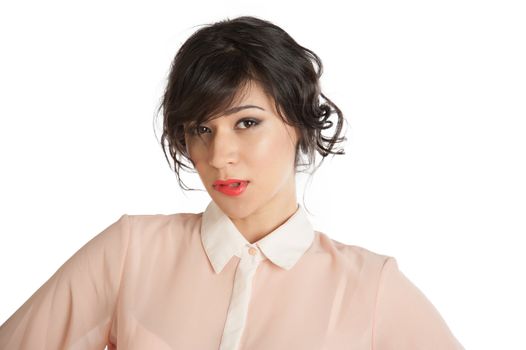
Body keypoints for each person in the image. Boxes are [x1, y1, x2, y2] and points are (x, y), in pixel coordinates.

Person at [0, 15, 464, 349]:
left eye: (247, 123)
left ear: (299, 124)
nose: (219, 156)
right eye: (202, 129)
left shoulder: (370, 288)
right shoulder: (130, 252)